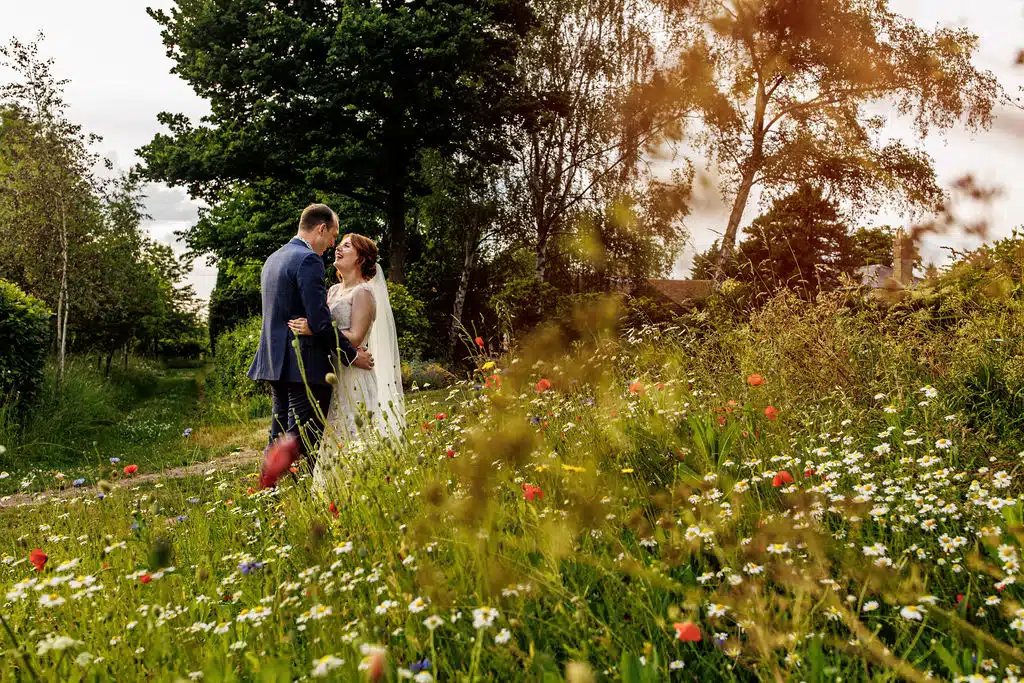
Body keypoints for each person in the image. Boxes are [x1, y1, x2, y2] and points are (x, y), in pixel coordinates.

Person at [247, 204, 374, 469]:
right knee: (302, 439)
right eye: (332, 237)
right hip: (303, 365)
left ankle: (270, 494)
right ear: (321, 228)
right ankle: (296, 498)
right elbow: (320, 322)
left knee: (279, 434)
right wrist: (351, 356)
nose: (331, 245)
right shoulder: (308, 259)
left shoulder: (274, 258)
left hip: (275, 362)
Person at [287, 233, 405, 493]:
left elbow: (355, 337)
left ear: (360, 258)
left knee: (353, 435)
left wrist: (312, 330)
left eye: (346, 246)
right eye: (339, 245)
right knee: (331, 435)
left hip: (354, 375)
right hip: (332, 372)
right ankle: (332, 494)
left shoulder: (364, 292)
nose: (338, 249)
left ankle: (360, 491)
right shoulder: (332, 290)